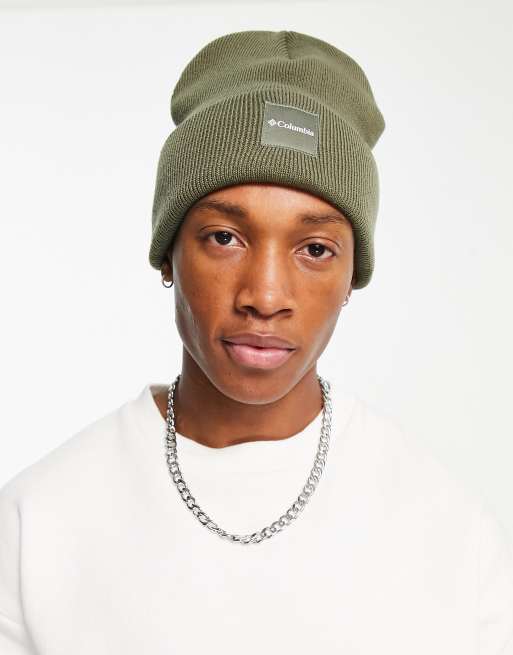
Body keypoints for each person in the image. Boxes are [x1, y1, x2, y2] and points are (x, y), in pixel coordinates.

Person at [1, 29, 512, 655]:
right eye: (225, 238)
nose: (266, 296)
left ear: (352, 277)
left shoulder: (452, 537)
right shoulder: (36, 526)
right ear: (167, 255)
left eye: (315, 249)